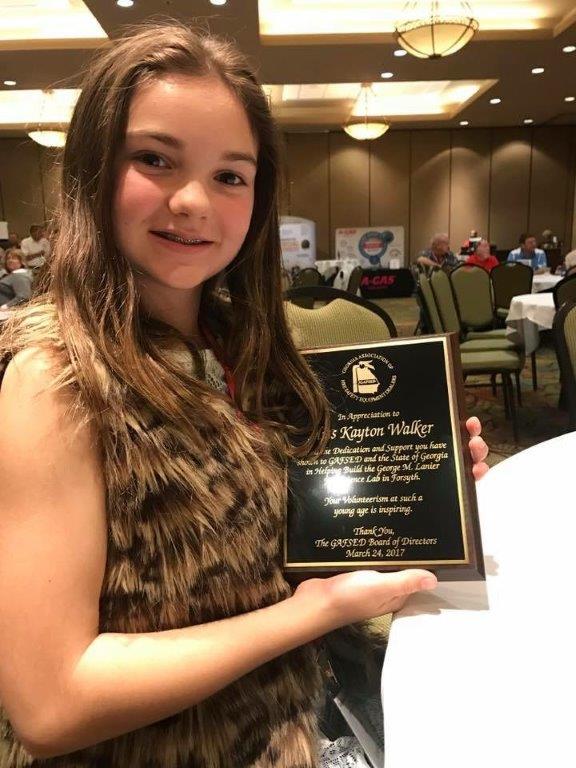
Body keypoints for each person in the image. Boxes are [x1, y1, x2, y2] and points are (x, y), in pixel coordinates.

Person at [0, 23, 489, 768]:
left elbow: (276, 549)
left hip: (305, 724)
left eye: (231, 175)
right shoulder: (57, 376)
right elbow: (53, 703)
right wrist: (308, 616)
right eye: (155, 159)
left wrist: (419, 494)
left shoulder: (245, 347)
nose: (194, 200)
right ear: (95, 169)